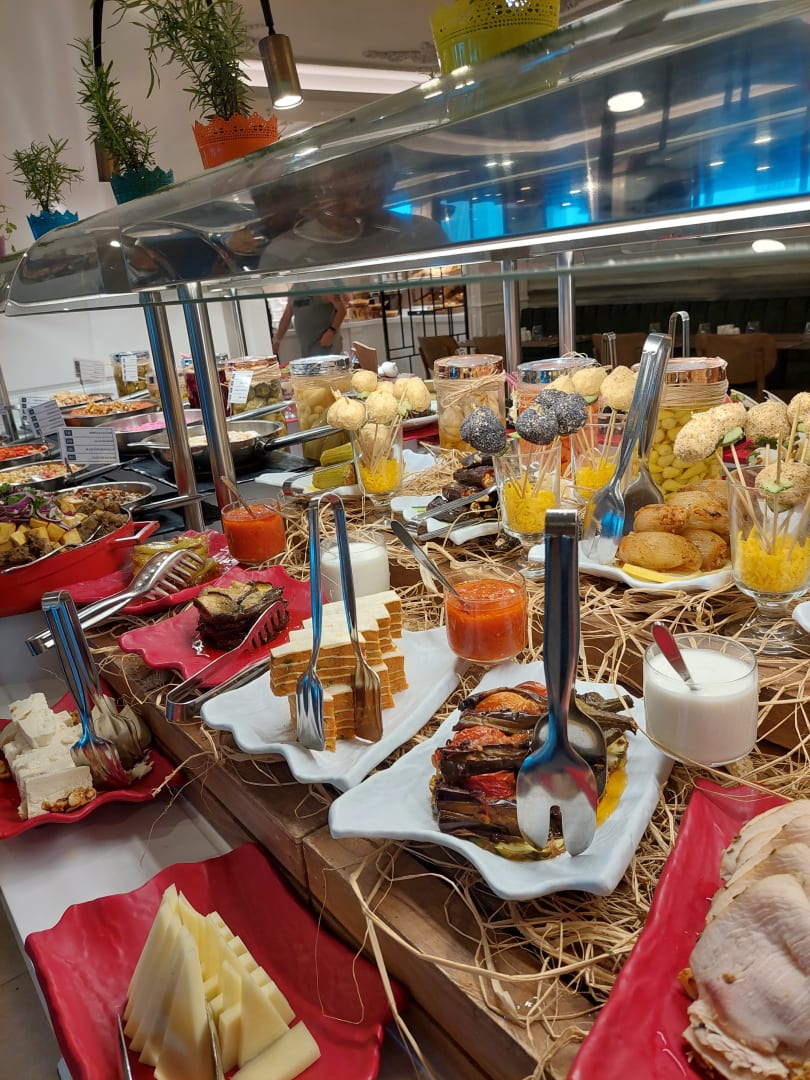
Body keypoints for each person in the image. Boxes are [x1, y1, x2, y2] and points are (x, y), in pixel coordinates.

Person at [272, 290, 347, 357]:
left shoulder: (324, 286)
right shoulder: (294, 290)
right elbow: (286, 317)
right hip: (307, 350)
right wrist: (277, 340)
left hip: (326, 346)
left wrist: (331, 331)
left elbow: (342, 310)